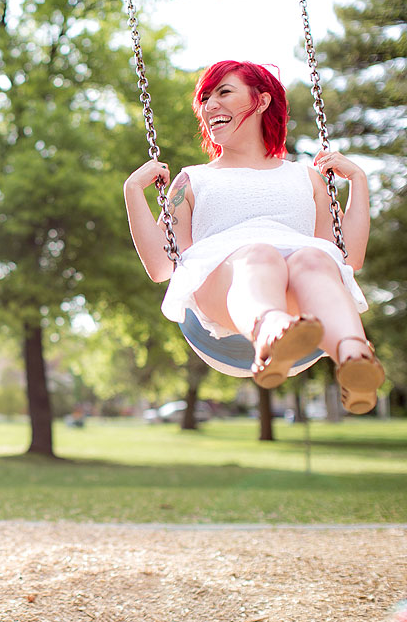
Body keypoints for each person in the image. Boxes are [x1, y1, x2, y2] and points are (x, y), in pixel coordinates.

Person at [124, 60, 384, 413]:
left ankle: (355, 358)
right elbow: (159, 267)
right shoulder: (191, 180)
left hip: (307, 313)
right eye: (205, 98)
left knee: (315, 259)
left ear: (261, 101)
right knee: (259, 255)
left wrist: (359, 182)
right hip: (223, 312)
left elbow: (347, 258)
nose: (209, 105)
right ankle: (271, 333)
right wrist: (133, 191)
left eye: (223, 92)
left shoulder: (306, 178)